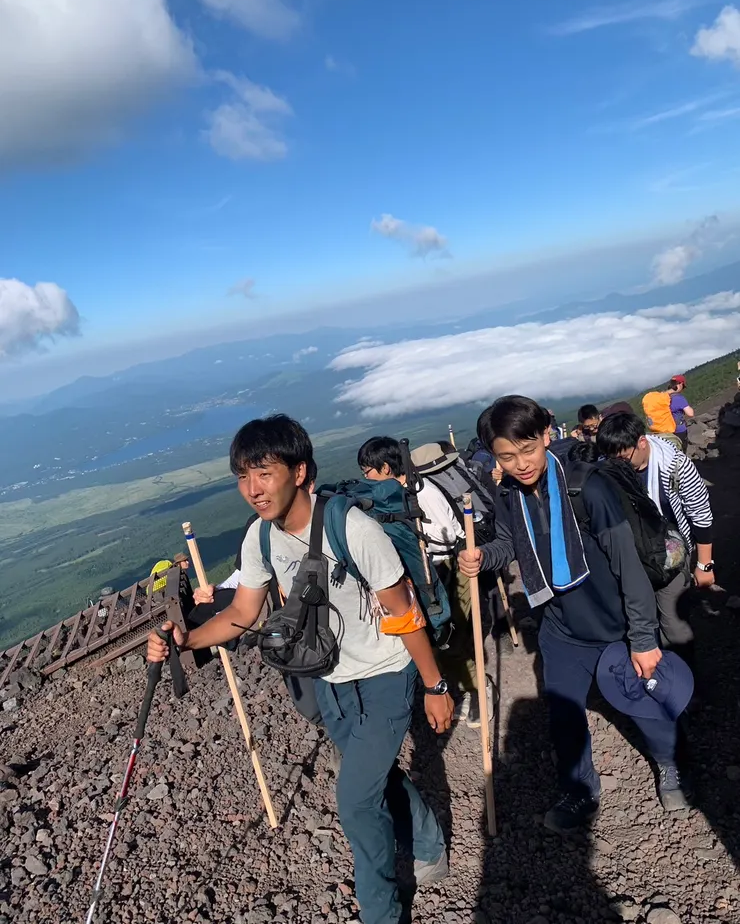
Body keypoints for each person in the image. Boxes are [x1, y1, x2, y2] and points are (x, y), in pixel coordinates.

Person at [148, 416, 451, 924]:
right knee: (371, 776)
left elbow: (403, 614)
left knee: (355, 801)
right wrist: (187, 640)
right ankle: (427, 841)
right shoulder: (260, 539)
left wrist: (434, 685)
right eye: (243, 476)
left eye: (264, 473)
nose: (253, 490)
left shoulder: (352, 528)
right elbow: (244, 613)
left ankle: (381, 913)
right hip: (328, 681)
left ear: (300, 471)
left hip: (384, 673)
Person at [458, 395, 688, 831]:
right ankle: (579, 789)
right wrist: (484, 556)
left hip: (615, 623)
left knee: (639, 700)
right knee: (563, 712)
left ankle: (669, 760)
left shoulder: (588, 487)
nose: (521, 464)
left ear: (546, 436)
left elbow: (629, 566)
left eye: (528, 449)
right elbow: (511, 543)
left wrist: (642, 639)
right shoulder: (509, 493)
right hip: (561, 626)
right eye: (507, 456)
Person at [357, 436, 496, 729]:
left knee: (452, 633)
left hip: (446, 566)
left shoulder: (423, 492)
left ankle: (479, 688)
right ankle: (458, 683)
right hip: (423, 571)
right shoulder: (396, 496)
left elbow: (448, 533)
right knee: (436, 633)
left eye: (367, 470)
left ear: (384, 468)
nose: (365, 477)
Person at [596, 412, 714, 670]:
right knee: (638, 618)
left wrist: (704, 564)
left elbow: (700, 514)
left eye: (623, 457)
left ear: (641, 442)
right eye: (611, 459)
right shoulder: (609, 469)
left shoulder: (675, 465)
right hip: (632, 554)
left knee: (672, 620)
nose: (619, 465)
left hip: (671, 554)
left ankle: (684, 682)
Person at [667, 376, 694, 453]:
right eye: (683, 386)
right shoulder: (679, 398)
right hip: (679, 430)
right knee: (681, 451)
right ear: (680, 384)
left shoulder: (663, 397)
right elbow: (690, 413)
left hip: (666, 431)